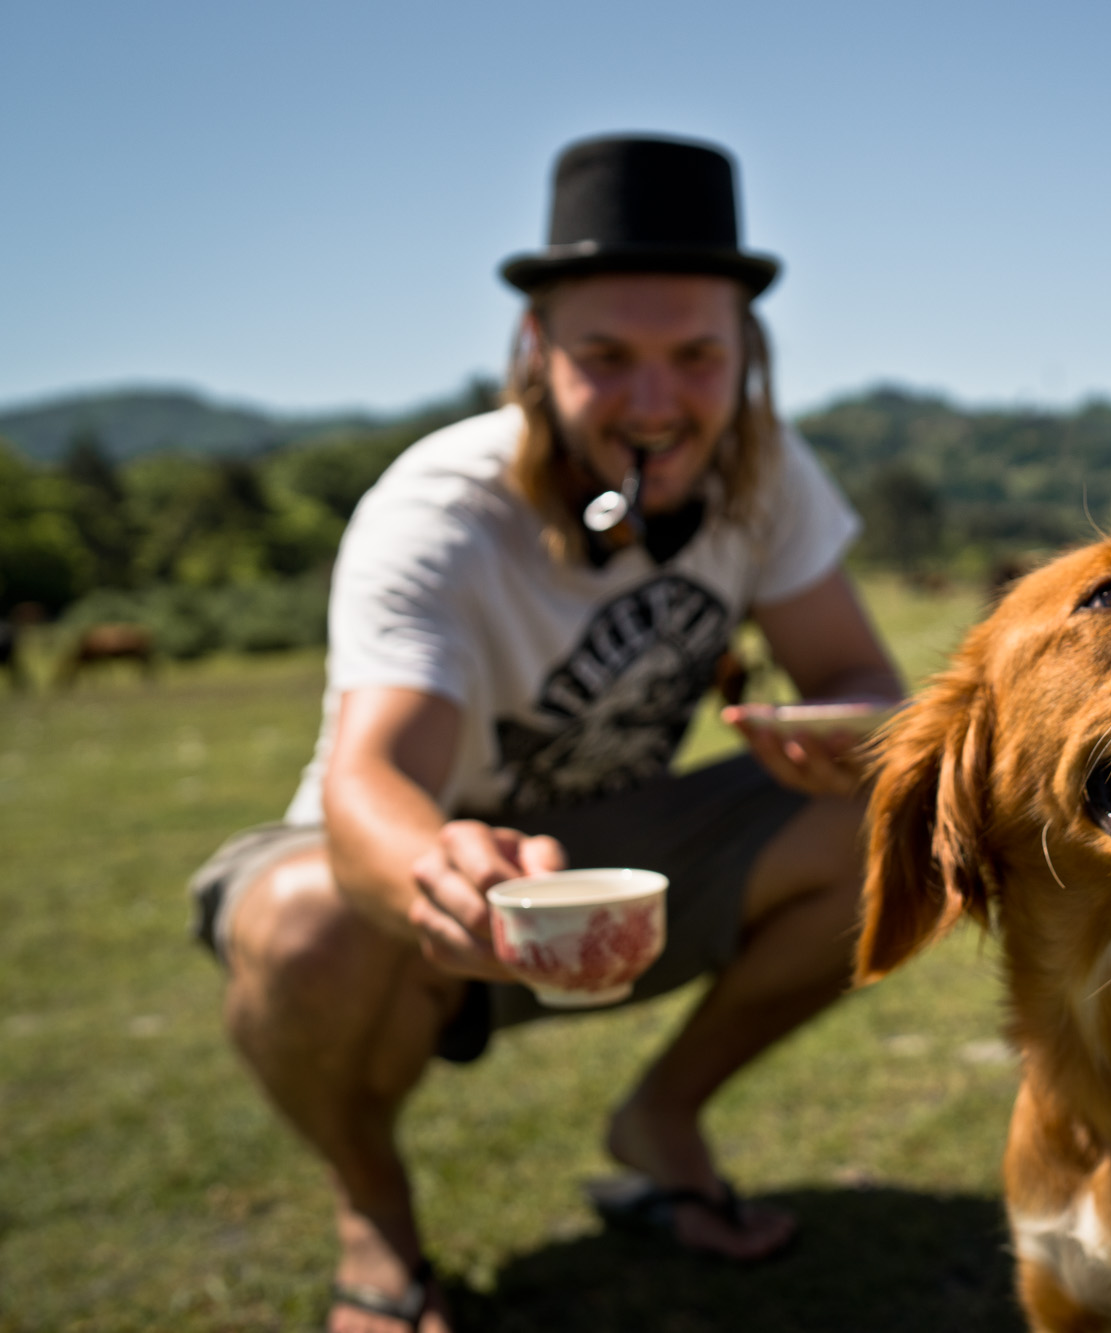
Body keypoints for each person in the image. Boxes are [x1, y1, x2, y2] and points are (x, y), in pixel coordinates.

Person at [186, 135, 902, 1333]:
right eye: (605, 357)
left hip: (610, 857)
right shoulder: (441, 509)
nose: (655, 403)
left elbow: (856, 670)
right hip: (400, 876)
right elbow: (372, 774)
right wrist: (435, 867)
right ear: (534, 351)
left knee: (895, 813)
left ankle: (661, 1120)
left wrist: (848, 731)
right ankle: (373, 1208)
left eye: (695, 357)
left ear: (749, 355)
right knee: (305, 922)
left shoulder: (766, 476)